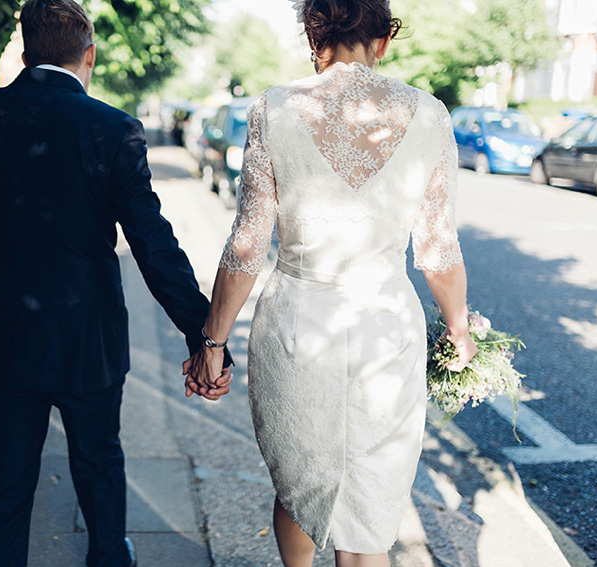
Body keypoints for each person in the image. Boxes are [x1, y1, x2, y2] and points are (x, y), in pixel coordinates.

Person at [182, 1, 477, 566]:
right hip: (385, 330)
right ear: (384, 39)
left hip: (297, 326)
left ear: (313, 34)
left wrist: (211, 345)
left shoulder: (274, 108)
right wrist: (459, 328)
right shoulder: (431, 115)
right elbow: (437, 249)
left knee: (299, 484)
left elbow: (247, 243)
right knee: (368, 496)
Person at [0, 1, 233, 566]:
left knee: (0, 495)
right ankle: (107, 555)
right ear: (89, 53)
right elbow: (152, 243)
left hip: (0, 335)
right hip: (86, 338)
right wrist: (204, 337)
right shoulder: (112, 127)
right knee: (99, 469)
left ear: (26, 54)